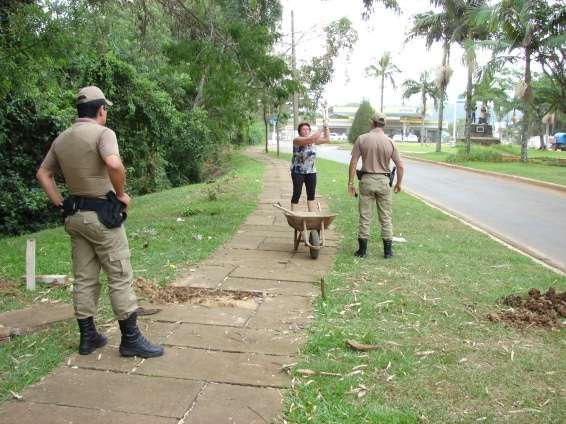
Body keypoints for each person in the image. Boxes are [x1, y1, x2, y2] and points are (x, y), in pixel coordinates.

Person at [36, 86, 163, 358]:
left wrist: (60, 203)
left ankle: (88, 337)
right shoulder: (104, 134)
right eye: (105, 109)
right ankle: (130, 340)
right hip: (103, 218)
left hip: (75, 217)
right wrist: (120, 195)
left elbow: (43, 174)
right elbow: (114, 164)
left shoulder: (62, 139)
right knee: (119, 274)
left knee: (84, 278)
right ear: (101, 109)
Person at [347, 112, 404, 258]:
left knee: (365, 216)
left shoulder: (362, 139)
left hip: (367, 180)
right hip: (384, 182)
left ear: (371, 123)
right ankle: (387, 252)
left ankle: (362, 251)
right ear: (384, 125)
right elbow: (400, 165)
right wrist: (398, 183)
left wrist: (351, 182)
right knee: (386, 217)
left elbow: (354, 162)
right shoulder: (390, 142)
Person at [290, 122, 330, 211]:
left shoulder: (313, 141)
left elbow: (327, 139)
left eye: (308, 129)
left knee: (311, 194)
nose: (306, 131)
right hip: (298, 172)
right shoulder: (297, 140)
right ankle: (293, 214)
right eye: (303, 129)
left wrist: (326, 128)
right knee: (297, 193)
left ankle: (311, 214)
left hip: (311, 171)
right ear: (299, 132)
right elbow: (312, 138)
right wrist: (321, 128)